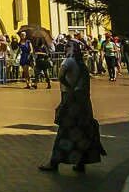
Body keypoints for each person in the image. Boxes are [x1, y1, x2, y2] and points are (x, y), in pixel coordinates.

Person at [39, 40, 106, 173]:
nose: (65, 48)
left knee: (65, 131)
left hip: (71, 99)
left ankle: (54, 162)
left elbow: (60, 76)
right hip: (83, 101)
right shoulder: (81, 64)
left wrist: (69, 90)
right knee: (82, 131)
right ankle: (81, 162)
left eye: (68, 46)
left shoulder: (68, 61)